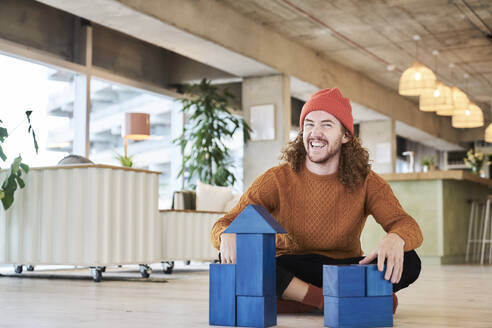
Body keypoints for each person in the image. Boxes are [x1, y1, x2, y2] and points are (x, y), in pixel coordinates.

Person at [210, 88, 423, 314]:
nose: (315, 132)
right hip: (290, 267)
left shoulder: (368, 182)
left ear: (346, 136)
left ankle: (296, 300)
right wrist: (227, 234)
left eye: (326, 125)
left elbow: (409, 226)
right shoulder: (276, 178)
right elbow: (223, 223)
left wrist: (396, 237)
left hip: (342, 269)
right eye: (309, 124)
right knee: (235, 259)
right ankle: (330, 300)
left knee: (411, 260)